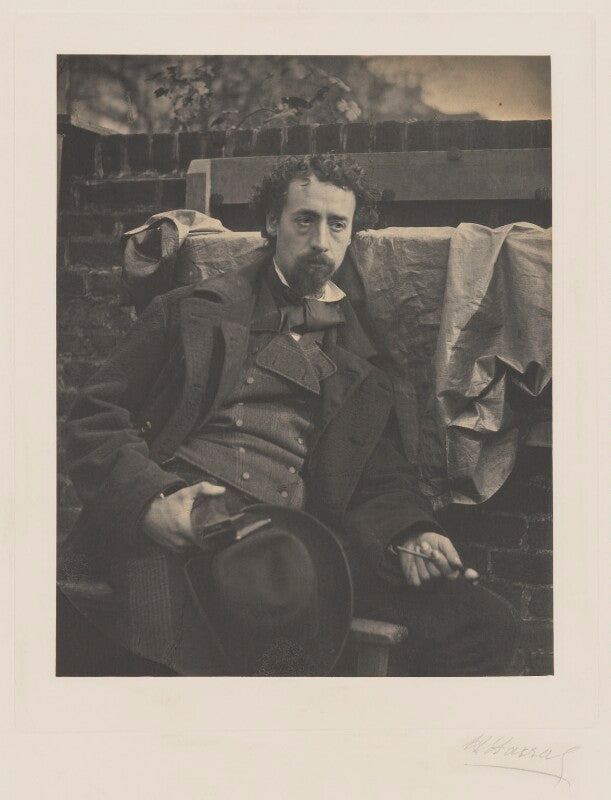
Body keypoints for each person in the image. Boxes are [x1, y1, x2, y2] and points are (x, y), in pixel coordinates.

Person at [58, 154, 518, 676]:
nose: (321, 241)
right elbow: (94, 415)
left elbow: (382, 479)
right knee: (165, 662)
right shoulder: (189, 310)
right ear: (273, 223)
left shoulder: (368, 358)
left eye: (337, 224)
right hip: (184, 523)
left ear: (351, 234)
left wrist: (410, 532)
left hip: (296, 548)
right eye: (305, 220)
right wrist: (151, 502)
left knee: (485, 624)